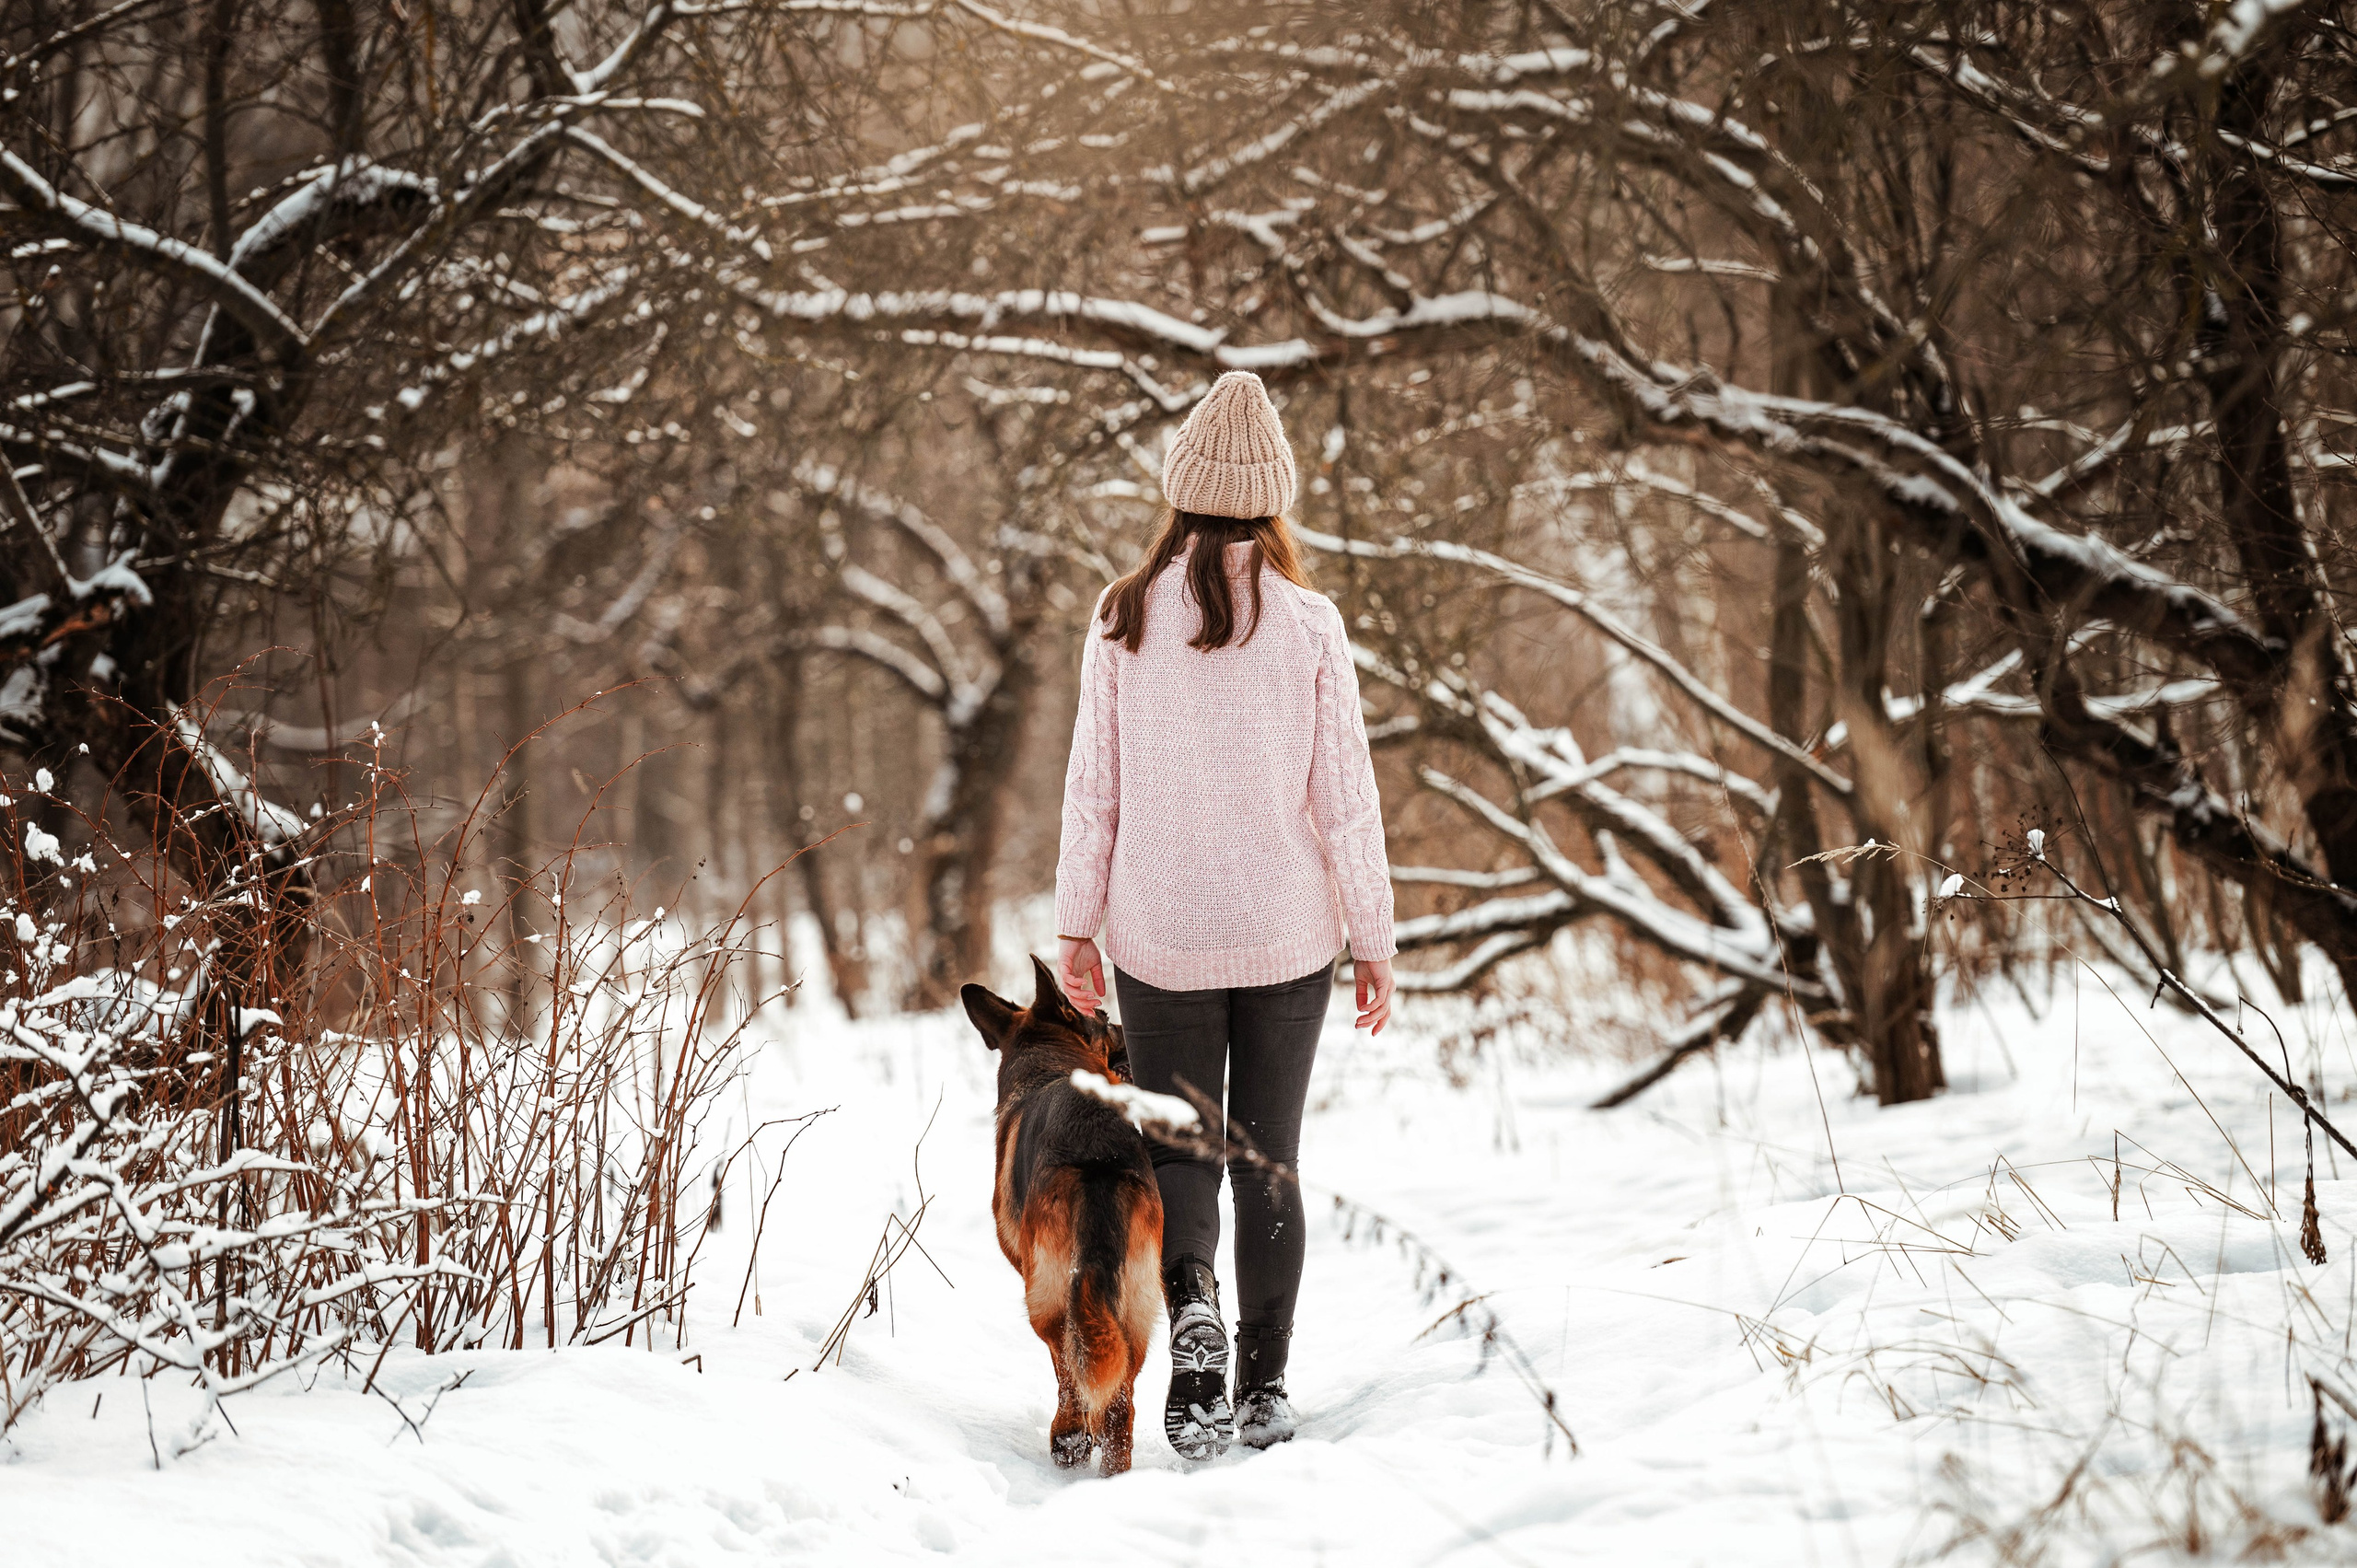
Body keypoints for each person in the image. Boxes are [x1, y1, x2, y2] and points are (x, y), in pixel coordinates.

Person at [1051, 369, 1396, 1461]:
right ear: (1272, 498)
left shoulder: (1120, 618)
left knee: (1184, 1150)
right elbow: (1345, 796)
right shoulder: (1310, 624)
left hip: (1161, 930)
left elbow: (1090, 789)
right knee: (1268, 1156)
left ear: (1182, 492)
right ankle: (1263, 1385)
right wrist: (1374, 933)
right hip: (1287, 931)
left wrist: (1075, 924)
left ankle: (1190, 1319)